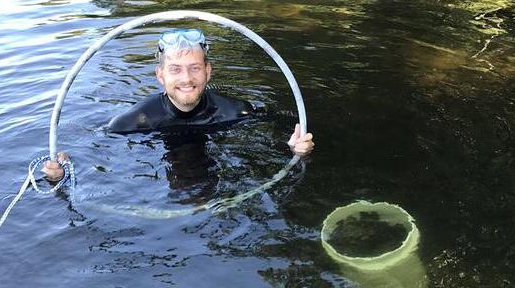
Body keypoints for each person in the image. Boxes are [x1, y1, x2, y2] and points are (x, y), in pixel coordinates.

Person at [42, 29, 314, 181]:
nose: (186, 79)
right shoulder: (135, 121)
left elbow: (279, 123)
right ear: (160, 75)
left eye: (195, 68)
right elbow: (93, 144)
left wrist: (294, 149)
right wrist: (64, 169)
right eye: (175, 69)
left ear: (208, 71)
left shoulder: (236, 111)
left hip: (214, 175)